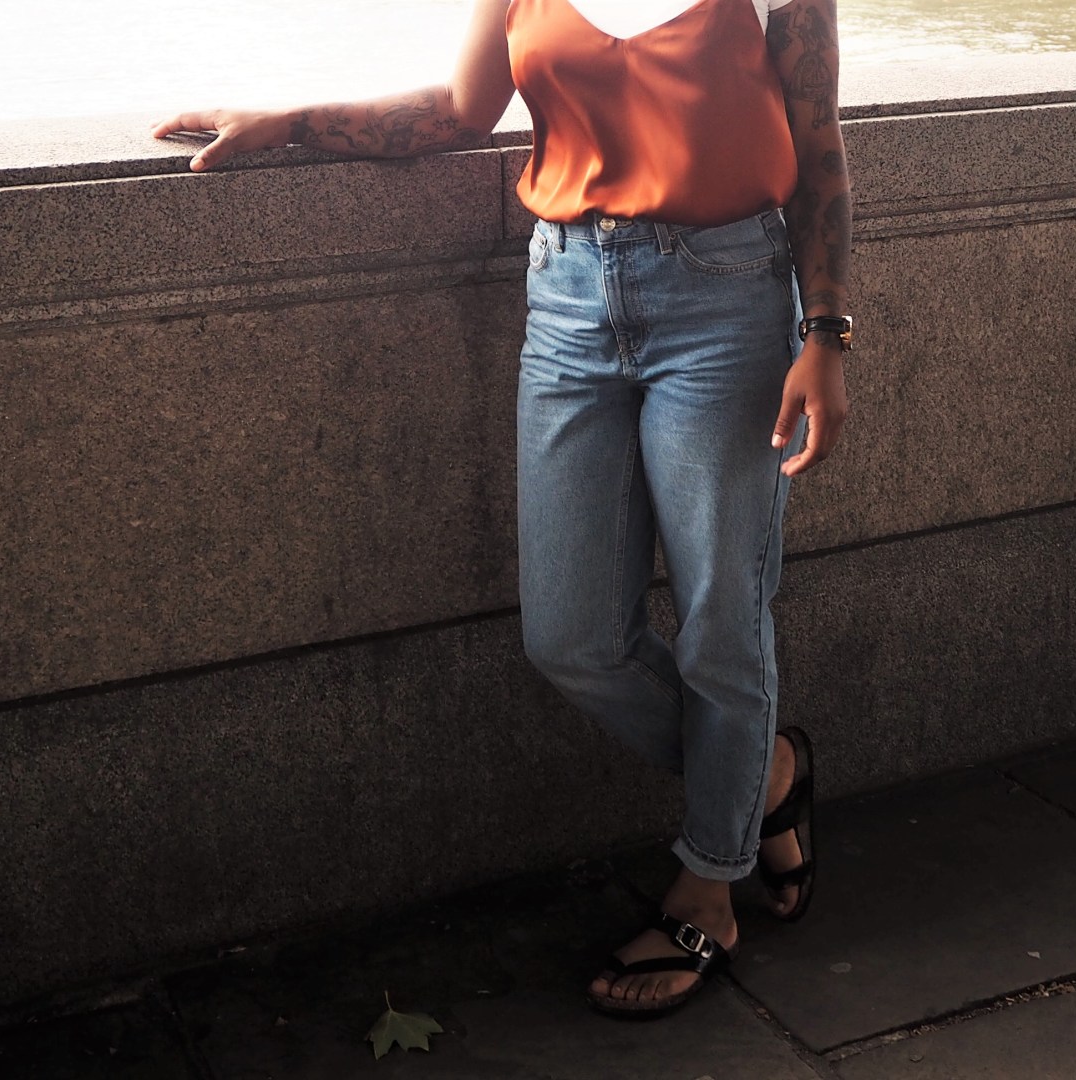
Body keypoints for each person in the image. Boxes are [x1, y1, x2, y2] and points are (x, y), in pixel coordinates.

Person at [152, 0, 851, 1018]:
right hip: (569, 296)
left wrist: (825, 334)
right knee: (571, 637)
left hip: (728, 306)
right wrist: (290, 121)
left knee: (721, 621)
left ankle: (711, 881)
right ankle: (769, 774)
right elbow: (458, 109)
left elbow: (819, 148)